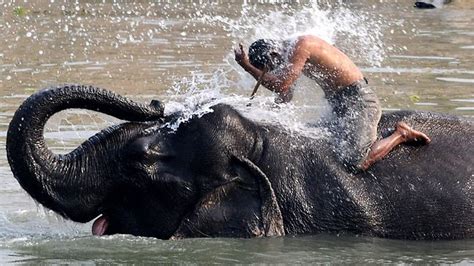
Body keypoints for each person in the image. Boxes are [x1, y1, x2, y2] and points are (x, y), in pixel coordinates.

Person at [234, 35, 431, 171]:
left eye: (271, 68)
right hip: (338, 104)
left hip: (359, 102)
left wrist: (246, 66)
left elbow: (282, 85)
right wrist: (265, 117)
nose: (274, 72)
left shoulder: (302, 45)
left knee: (356, 161)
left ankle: (402, 134)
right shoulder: (288, 55)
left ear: (274, 56)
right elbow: (285, 96)